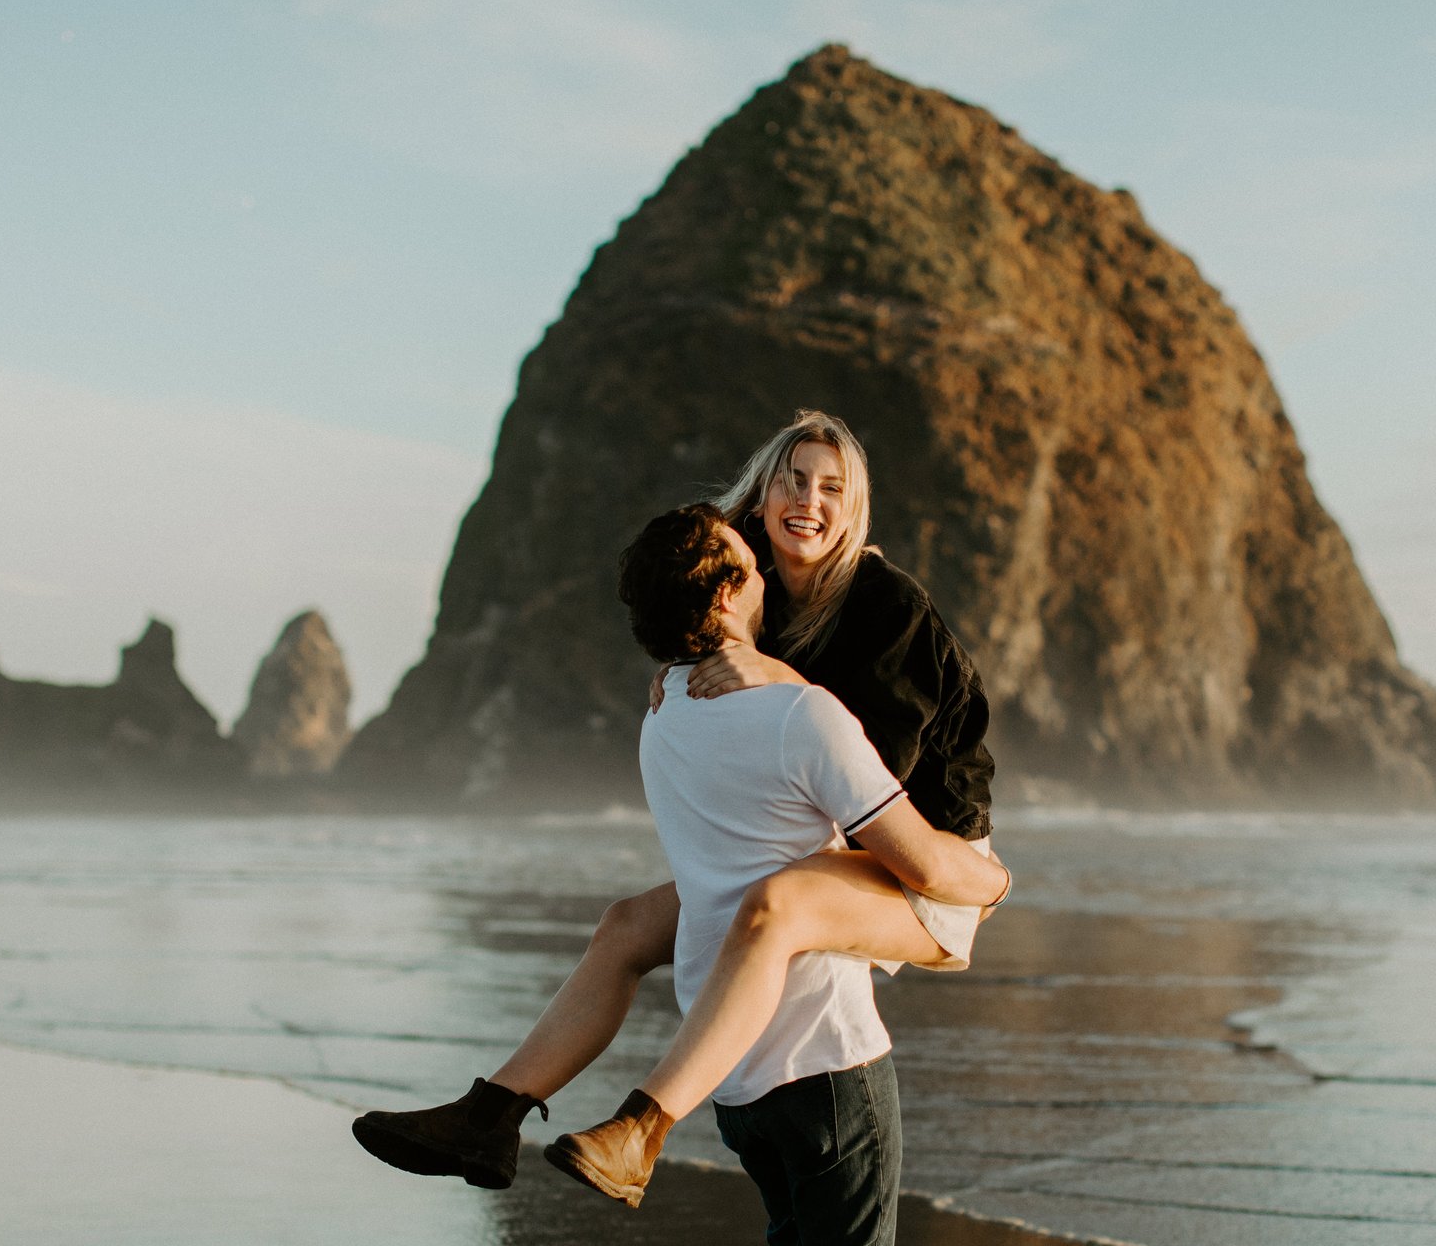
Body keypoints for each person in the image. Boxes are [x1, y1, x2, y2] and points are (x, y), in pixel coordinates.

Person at [352, 412, 1000, 1202]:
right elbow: (691, 597)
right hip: (827, 847)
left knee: (776, 905)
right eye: (794, 479)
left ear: (854, 508)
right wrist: (682, 660)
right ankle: (488, 1117)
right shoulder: (749, 569)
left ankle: (643, 1128)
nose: (810, 500)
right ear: (762, 494)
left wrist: (777, 677)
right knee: (625, 924)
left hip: (927, 867)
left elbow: (871, 782)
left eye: (833, 487)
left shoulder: (883, 606)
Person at [604, 504, 1004, 1246]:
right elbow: (915, 855)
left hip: (729, 1056)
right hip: (825, 1045)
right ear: (729, 591)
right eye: (745, 564)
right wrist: (991, 880)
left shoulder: (667, 713)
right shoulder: (801, 716)